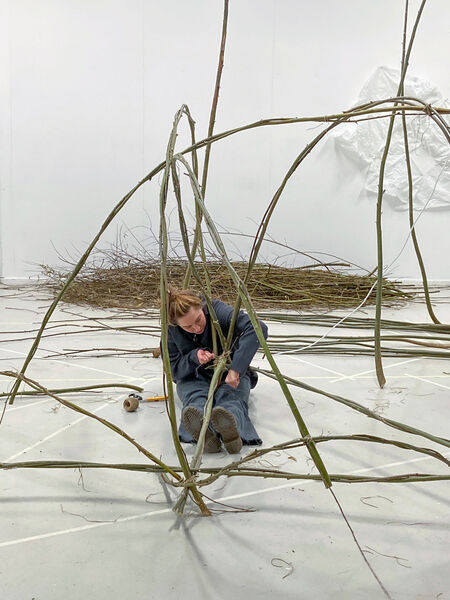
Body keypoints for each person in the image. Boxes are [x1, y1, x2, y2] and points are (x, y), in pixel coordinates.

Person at [166, 288, 268, 454]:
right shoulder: (171, 330)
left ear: (202, 308)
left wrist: (236, 368)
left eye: (198, 320)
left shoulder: (217, 311)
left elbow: (258, 328)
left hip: (228, 373)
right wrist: (193, 357)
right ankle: (202, 431)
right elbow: (172, 368)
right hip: (194, 376)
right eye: (188, 327)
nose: (196, 328)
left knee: (232, 397)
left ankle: (231, 426)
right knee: (195, 398)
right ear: (178, 325)